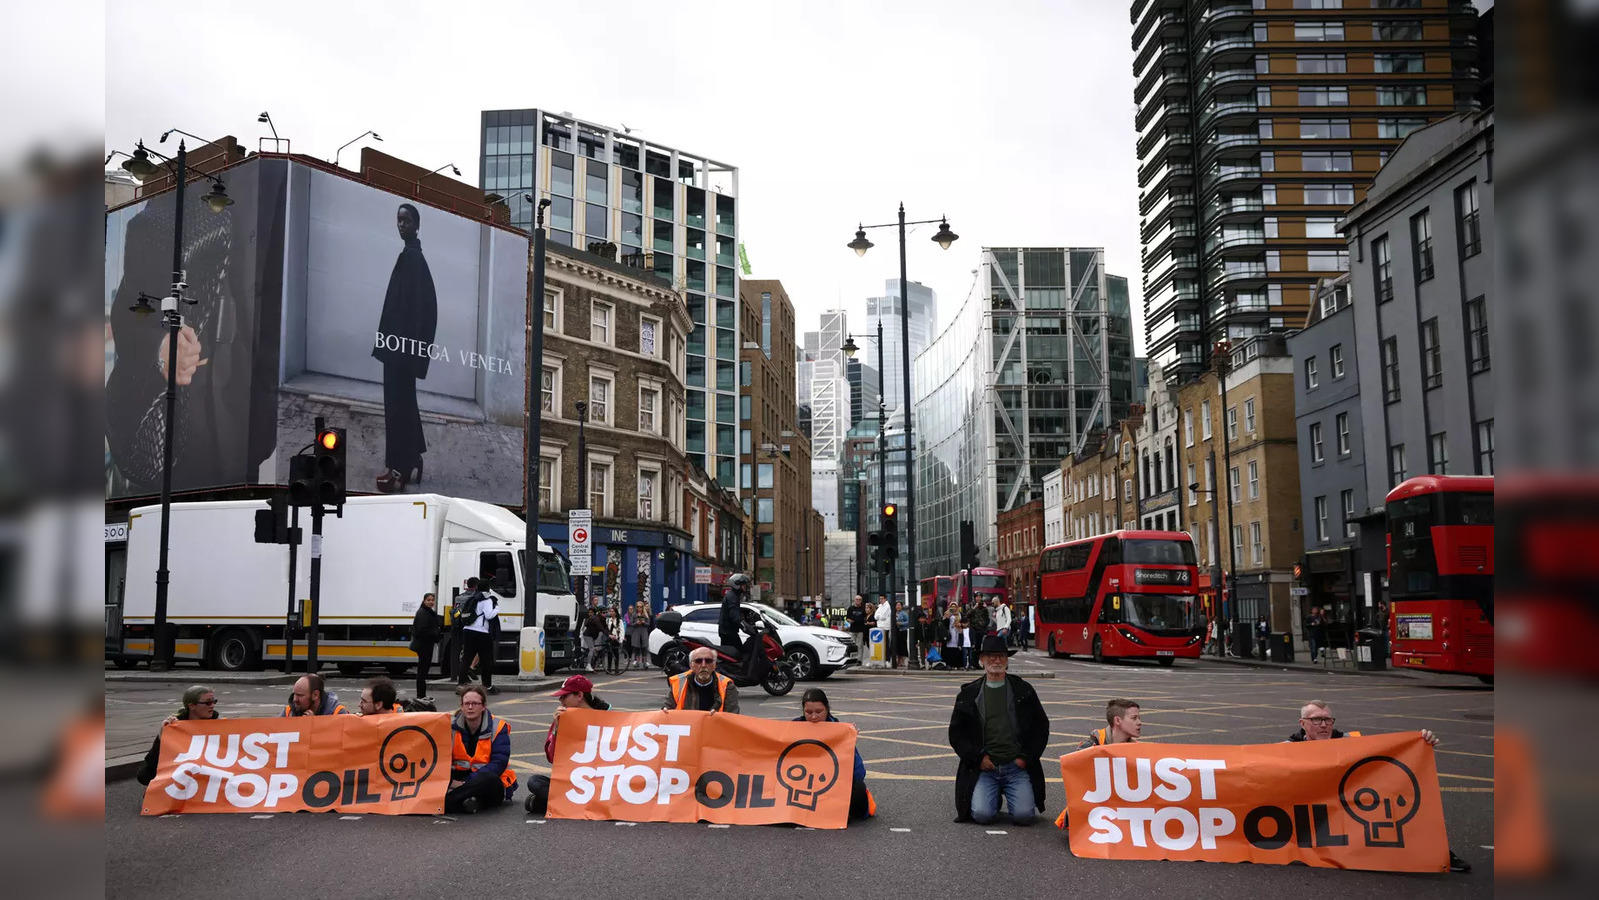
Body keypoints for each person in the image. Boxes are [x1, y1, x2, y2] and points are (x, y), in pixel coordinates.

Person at [1286, 700, 1468, 872]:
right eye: (1317, 720)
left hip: (1348, 802)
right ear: (1303, 723)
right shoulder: (1286, 748)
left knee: (1400, 807)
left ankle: (1437, 852)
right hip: (1314, 807)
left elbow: (1388, 752)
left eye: (1327, 719)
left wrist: (1423, 742)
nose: (1324, 725)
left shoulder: (1351, 741)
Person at [948, 636, 1050, 826]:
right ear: (982, 660)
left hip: (1016, 767)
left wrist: (1025, 758)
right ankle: (992, 797)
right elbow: (957, 734)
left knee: (1024, 817)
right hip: (985, 768)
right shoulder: (968, 694)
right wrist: (978, 759)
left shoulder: (1023, 690)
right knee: (982, 815)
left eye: (1001, 656)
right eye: (991, 657)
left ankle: (1007, 795)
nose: (996, 661)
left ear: (1007, 660)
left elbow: (1041, 727)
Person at [373, 202, 438, 493]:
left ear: (416, 225)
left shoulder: (413, 259)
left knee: (397, 408)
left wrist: (409, 348)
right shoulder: (410, 256)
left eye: (406, 221)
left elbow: (425, 310)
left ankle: (398, 466)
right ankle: (412, 458)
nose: (401, 225)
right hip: (399, 349)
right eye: (398, 220)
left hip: (400, 351)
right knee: (404, 405)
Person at [525, 675, 612, 814]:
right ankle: (585, 805)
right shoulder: (561, 719)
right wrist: (558, 729)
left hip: (601, 782)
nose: (561, 701)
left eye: (564, 696)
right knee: (535, 782)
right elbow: (552, 758)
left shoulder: (609, 718)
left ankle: (551, 804)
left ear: (579, 695)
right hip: (572, 781)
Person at [794, 689, 875, 822]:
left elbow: (859, 774)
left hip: (831, 785)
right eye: (808, 712)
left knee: (858, 789)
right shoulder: (792, 728)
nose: (814, 717)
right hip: (803, 784)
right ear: (803, 711)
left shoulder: (840, 732)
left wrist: (849, 746)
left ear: (827, 709)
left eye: (819, 712)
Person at [447, 685, 516, 814]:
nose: (470, 707)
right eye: (467, 703)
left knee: (488, 778)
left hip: (489, 781)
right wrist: (450, 780)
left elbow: (498, 764)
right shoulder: (450, 727)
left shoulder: (498, 727)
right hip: (460, 778)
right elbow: (442, 759)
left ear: (483, 706)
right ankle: (470, 802)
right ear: (461, 706)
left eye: (475, 703)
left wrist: (464, 783)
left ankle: (448, 802)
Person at [137, 685, 217, 785]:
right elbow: (145, 776)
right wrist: (162, 738)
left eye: (214, 701)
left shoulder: (221, 729)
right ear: (191, 705)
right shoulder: (174, 728)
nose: (212, 705)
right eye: (208, 702)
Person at [662, 646, 740, 713]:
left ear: (714, 665)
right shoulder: (678, 683)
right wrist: (665, 711)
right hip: (688, 728)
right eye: (698, 661)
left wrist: (717, 716)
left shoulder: (727, 685)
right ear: (691, 665)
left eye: (708, 661)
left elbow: (732, 716)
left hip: (715, 727)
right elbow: (667, 708)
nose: (703, 665)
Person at [458, 578, 499, 694]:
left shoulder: (472, 598)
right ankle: (487, 685)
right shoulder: (487, 599)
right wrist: (497, 609)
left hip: (468, 630)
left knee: (466, 658)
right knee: (486, 660)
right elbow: (489, 615)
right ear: (488, 588)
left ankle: (461, 684)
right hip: (482, 632)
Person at [410, 592, 442, 699]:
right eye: (428, 600)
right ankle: (421, 696)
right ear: (424, 601)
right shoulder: (423, 613)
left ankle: (422, 695)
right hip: (423, 645)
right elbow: (421, 630)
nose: (431, 602)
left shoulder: (428, 612)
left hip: (426, 644)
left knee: (423, 670)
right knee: (422, 671)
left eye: (432, 600)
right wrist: (435, 633)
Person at [1079, 698, 1143, 749]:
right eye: (1134, 718)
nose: (1139, 722)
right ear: (1117, 720)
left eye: (1139, 718)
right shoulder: (1090, 746)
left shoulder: (1136, 748)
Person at [282, 673, 348, 717]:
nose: (295, 699)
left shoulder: (337, 712)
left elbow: (338, 737)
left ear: (315, 695)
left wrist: (315, 724)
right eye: (294, 694)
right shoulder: (289, 711)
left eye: (300, 695)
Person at [721, 574, 752, 657]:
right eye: (744, 585)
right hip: (728, 633)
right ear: (737, 585)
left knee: (735, 654)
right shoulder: (732, 597)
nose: (745, 587)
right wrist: (744, 626)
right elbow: (734, 615)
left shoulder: (734, 596)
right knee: (737, 654)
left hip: (729, 631)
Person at [581, 602, 605, 672]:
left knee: (593, 649)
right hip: (587, 635)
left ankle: (591, 663)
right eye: (589, 612)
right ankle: (588, 665)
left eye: (591, 612)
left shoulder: (595, 618)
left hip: (593, 636)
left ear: (594, 613)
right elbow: (586, 625)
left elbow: (601, 627)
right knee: (591, 649)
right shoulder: (590, 618)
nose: (590, 613)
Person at [628, 601, 653, 666]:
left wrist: (644, 622)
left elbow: (649, 624)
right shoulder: (634, 614)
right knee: (636, 647)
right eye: (638, 607)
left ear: (643, 607)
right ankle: (636, 661)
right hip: (636, 633)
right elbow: (631, 623)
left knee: (644, 647)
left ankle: (645, 661)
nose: (639, 608)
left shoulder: (645, 614)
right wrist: (636, 623)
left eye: (641, 607)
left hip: (644, 632)